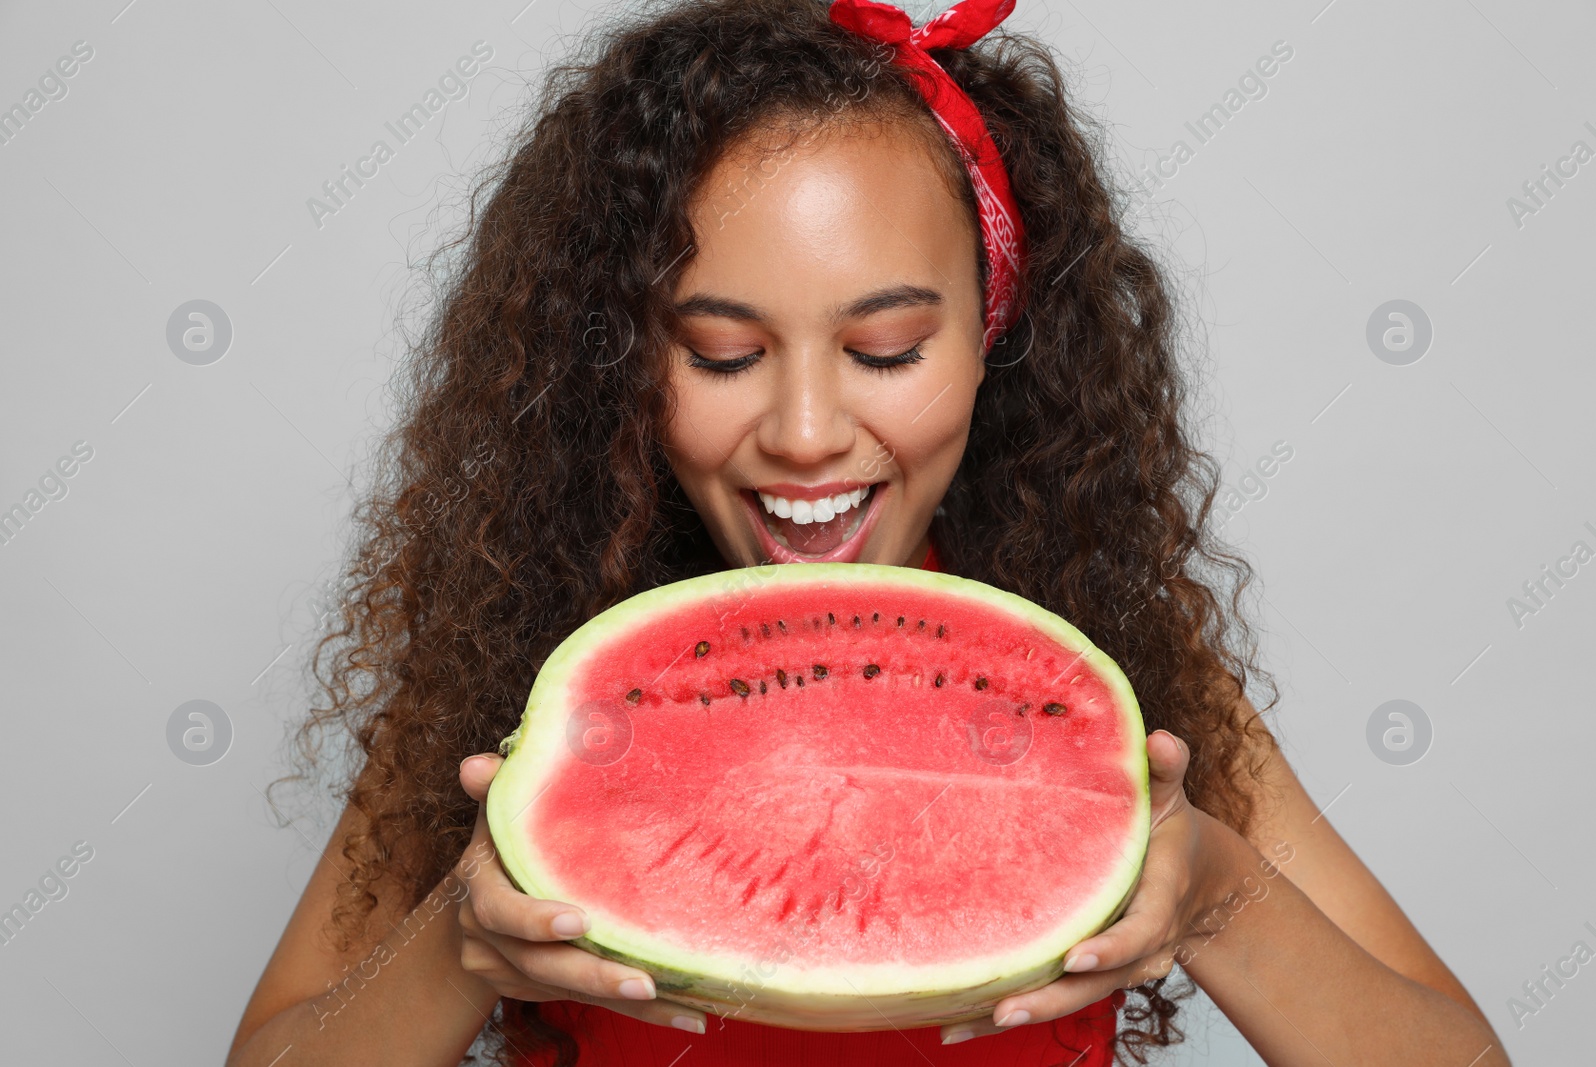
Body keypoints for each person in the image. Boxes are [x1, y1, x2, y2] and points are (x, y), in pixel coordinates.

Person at [227, 0, 1509, 1064]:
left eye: (884, 348)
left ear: (993, 331)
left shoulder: (1119, 666)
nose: (803, 430)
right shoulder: (525, 672)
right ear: (621, 357)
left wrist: (1212, 887)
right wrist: (464, 926)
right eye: (721, 353)